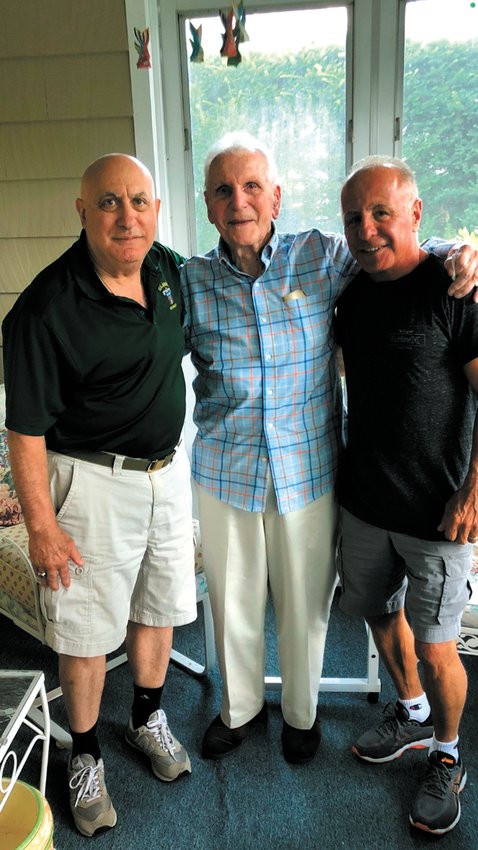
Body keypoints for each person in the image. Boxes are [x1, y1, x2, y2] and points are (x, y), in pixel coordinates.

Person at [180, 131, 478, 765]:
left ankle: (301, 714)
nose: (240, 202)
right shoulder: (192, 281)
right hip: (225, 470)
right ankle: (237, 710)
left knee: (305, 602)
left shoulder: (321, 257)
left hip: (309, 470)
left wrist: (461, 250)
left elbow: (396, 252)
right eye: (225, 191)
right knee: (233, 599)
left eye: (253, 187)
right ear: (207, 206)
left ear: (277, 198)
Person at [2, 154, 197, 837]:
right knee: (85, 630)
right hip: (88, 482)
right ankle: (83, 756)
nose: (127, 216)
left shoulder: (168, 270)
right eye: (109, 202)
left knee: (160, 602)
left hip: (167, 475)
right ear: (81, 210)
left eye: (140, 201)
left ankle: (147, 717)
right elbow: (23, 432)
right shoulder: (44, 309)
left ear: (157, 208)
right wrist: (42, 526)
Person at [334, 155, 478, 835]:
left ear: (415, 213)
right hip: (364, 503)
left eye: (381, 213)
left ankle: (448, 755)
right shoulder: (351, 293)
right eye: (355, 217)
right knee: (373, 611)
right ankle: (414, 714)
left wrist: (473, 495)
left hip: (437, 512)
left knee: (437, 645)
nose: (366, 230)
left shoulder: (455, 290)